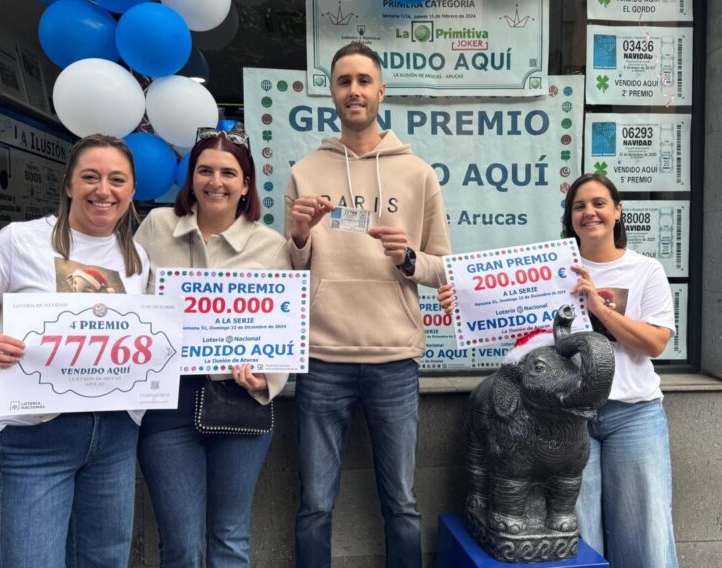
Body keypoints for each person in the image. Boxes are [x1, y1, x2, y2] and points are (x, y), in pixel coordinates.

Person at [438, 172, 678, 568]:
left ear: (618, 212)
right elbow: (510, 316)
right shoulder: (553, 270)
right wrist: (461, 300)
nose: (590, 213)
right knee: (576, 532)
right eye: (579, 206)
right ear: (570, 218)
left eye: (599, 203)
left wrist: (599, 309)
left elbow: (655, 343)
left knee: (646, 529)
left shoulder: (645, 270)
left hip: (633, 415)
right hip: (561, 422)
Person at [0, 134, 149, 567]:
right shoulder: (20, 242)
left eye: (117, 180)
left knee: (104, 559)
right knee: (31, 559)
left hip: (115, 432)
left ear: (131, 192)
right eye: (90, 177)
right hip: (36, 434)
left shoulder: (137, 258)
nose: (103, 190)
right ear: (69, 184)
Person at [286, 41, 451, 568]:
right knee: (314, 505)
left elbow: (441, 267)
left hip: (394, 360)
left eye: (363, 80)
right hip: (322, 357)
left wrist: (407, 258)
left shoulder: (418, 173)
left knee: (401, 503)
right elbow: (291, 271)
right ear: (331, 92)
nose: (353, 90)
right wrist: (298, 235)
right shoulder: (305, 171)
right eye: (343, 81)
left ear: (381, 90)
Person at [134, 127, 290, 568]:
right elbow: (131, 302)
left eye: (228, 172)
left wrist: (268, 379)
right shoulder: (156, 227)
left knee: (230, 540)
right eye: (204, 170)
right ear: (191, 179)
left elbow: (284, 325)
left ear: (246, 185)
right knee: (180, 545)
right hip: (167, 402)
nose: (215, 181)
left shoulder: (271, 246)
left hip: (240, 400)